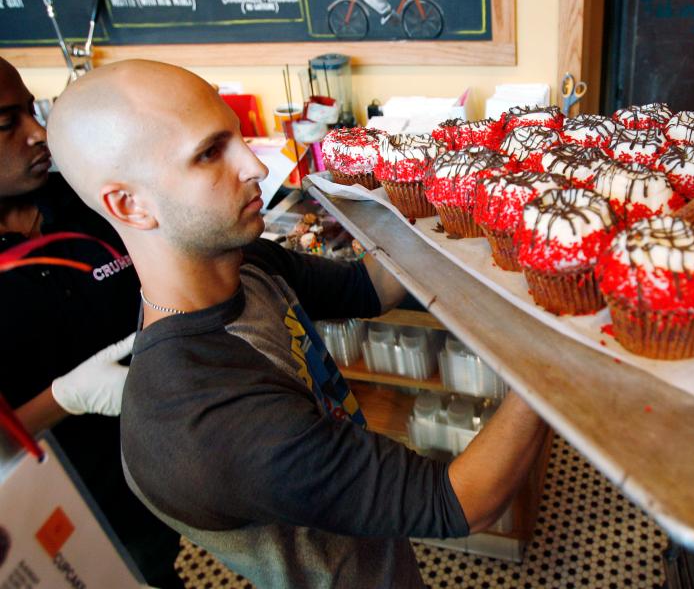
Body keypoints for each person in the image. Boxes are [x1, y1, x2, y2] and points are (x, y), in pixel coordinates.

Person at [47, 60, 550, 588]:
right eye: (210, 153)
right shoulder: (208, 418)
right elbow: (463, 502)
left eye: (237, 137)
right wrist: (549, 363)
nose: (255, 166)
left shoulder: (245, 265)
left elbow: (368, 289)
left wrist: (440, 195)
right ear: (130, 204)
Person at [0, 57, 184, 587]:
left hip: (153, 480)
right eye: (6, 123)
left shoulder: (85, 199)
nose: (39, 134)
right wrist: (65, 397)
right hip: (59, 515)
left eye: (33, 112)